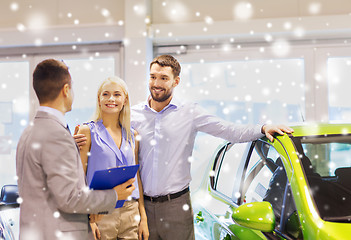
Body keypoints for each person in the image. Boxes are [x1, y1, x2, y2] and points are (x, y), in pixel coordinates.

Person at [75, 55, 293, 240]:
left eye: (163, 78)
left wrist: (262, 127)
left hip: (176, 206)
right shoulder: (134, 115)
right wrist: (76, 141)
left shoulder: (190, 113)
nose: (156, 83)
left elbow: (229, 130)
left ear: (176, 82)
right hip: (140, 209)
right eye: (152, 77)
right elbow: (106, 135)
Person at [16, 59, 135, 240]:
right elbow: (70, 198)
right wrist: (114, 195)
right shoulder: (57, 135)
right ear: (65, 90)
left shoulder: (30, 131)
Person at [76, 76, 149, 240]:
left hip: (131, 211)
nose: (111, 99)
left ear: (125, 99)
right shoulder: (86, 131)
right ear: (99, 99)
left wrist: (143, 217)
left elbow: (137, 178)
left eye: (117, 94)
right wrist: (88, 218)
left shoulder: (132, 135)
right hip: (100, 212)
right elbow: (79, 178)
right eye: (106, 94)